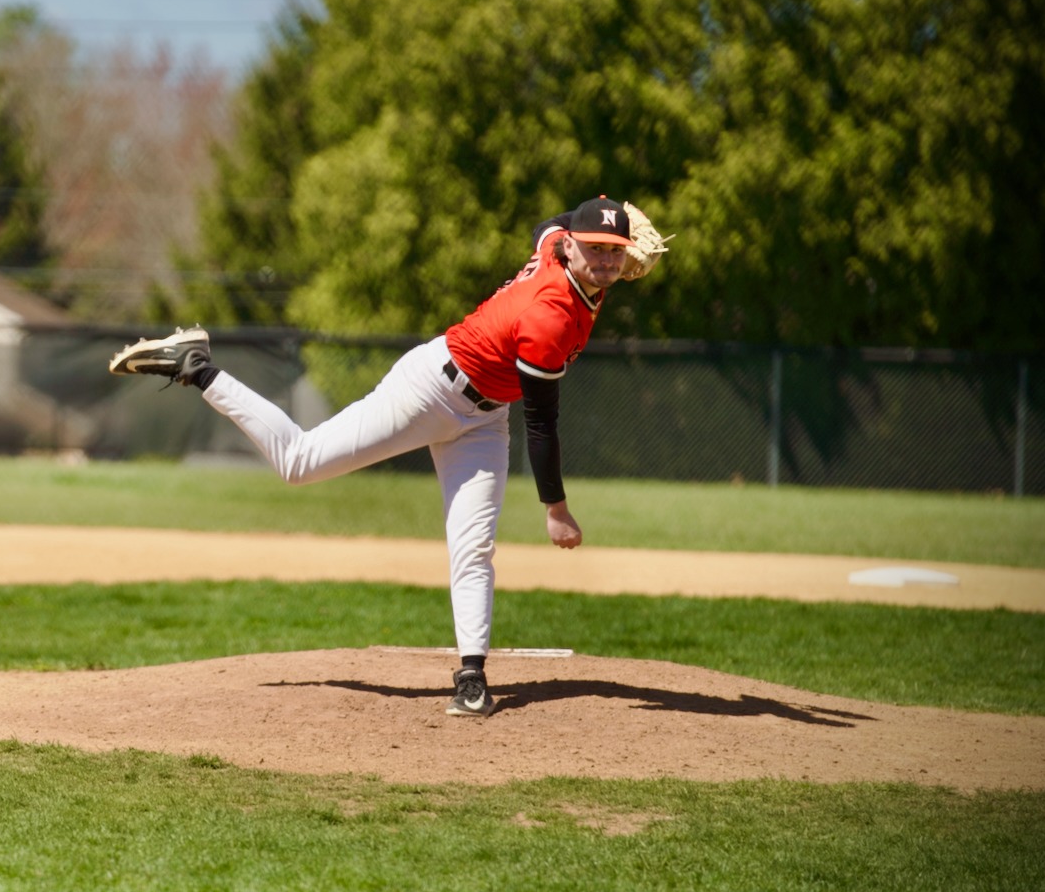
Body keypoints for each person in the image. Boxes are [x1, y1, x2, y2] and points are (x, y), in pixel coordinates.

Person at [110, 196, 659, 718]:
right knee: (299, 462)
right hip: (431, 391)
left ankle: (471, 680)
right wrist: (555, 507)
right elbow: (542, 422)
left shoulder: (556, 244)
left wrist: (603, 217)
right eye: (596, 247)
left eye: (615, 248)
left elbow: (551, 220)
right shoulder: (551, 317)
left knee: (473, 545)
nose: (608, 259)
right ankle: (196, 366)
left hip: (485, 417)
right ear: (570, 250)